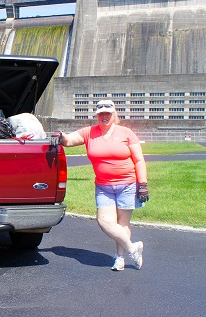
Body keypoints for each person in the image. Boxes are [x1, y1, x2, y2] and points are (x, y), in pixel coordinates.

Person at [53, 100, 149, 271]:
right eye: (101, 114)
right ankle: (133, 249)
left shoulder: (126, 133)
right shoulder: (89, 133)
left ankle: (120, 258)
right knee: (105, 222)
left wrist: (143, 184)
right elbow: (69, 140)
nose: (104, 116)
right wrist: (61, 137)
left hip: (127, 184)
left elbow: (139, 159)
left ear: (113, 114)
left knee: (123, 223)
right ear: (97, 115)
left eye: (108, 113)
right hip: (104, 186)